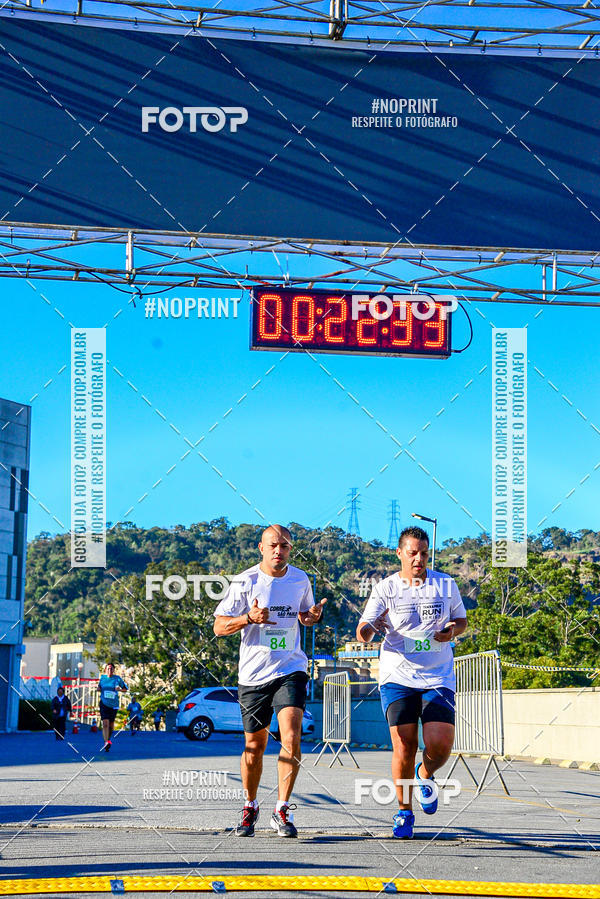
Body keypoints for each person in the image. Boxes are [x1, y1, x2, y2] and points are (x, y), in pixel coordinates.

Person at [214, 524, 325, 838]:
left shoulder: (300, 579)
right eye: (274, 545)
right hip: (253, 675)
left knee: (291, 737)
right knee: (253, 746)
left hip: (291, 668)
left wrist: (311, 616)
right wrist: (248, 618)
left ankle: (282, 809)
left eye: (286, 546)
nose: (279, 551)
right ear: (261, 548)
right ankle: (250, 806)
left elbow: (303, 615)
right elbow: (219, 627)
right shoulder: (246, 581)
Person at [356, 525, 467, 840]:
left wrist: (451, 632)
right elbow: (362, 631)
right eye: (413, 553)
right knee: (404, 745)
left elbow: (461, 621)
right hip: (398, 676)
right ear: (400, 554)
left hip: (438, 676)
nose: (419, 559)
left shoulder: (445, 584)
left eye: (424, 554)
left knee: (441, 743)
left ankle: (425, 774)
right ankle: (404, 813)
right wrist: (370, 628)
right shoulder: (386, 588)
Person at [98, 662, 128, 752]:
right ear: (105, 670)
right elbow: (99, 686)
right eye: (108, 668)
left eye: (111, 668)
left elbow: (125, 689)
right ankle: (106, 742)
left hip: (114, 705)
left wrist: (120, 689)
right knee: (105, 723)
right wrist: (98, 689)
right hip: (104, 703)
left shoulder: (117, 679)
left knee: (111, 725)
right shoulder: (102, 678)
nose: (110, 670)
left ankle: (108, 739)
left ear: (114, 670)